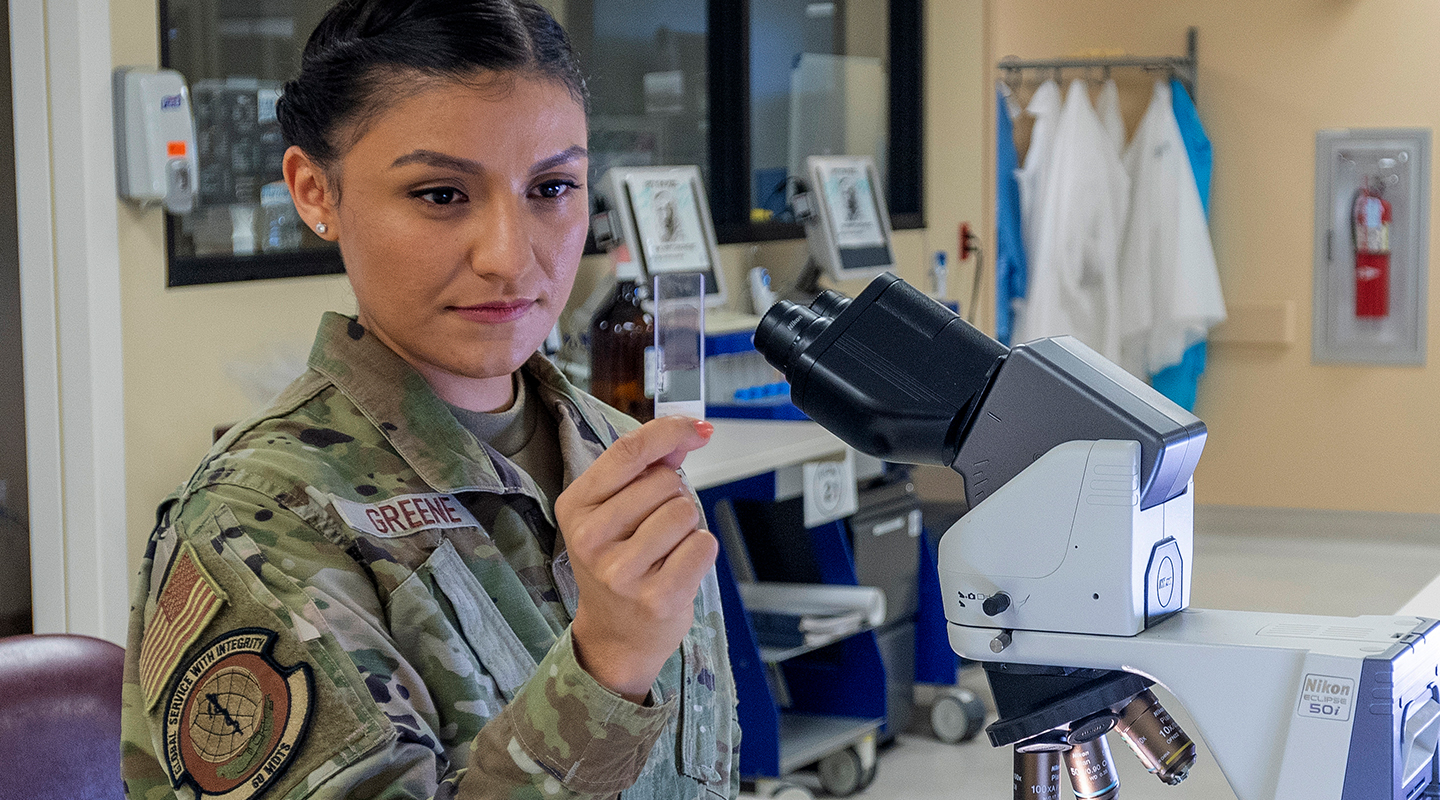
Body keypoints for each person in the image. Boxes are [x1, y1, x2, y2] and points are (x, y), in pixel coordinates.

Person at [119, 1, 739, 797]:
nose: (510, 258)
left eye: (552, 187)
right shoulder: (253, 522)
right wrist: (606, 669)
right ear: (316, 191)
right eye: (441, 194)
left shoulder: (621, 457)